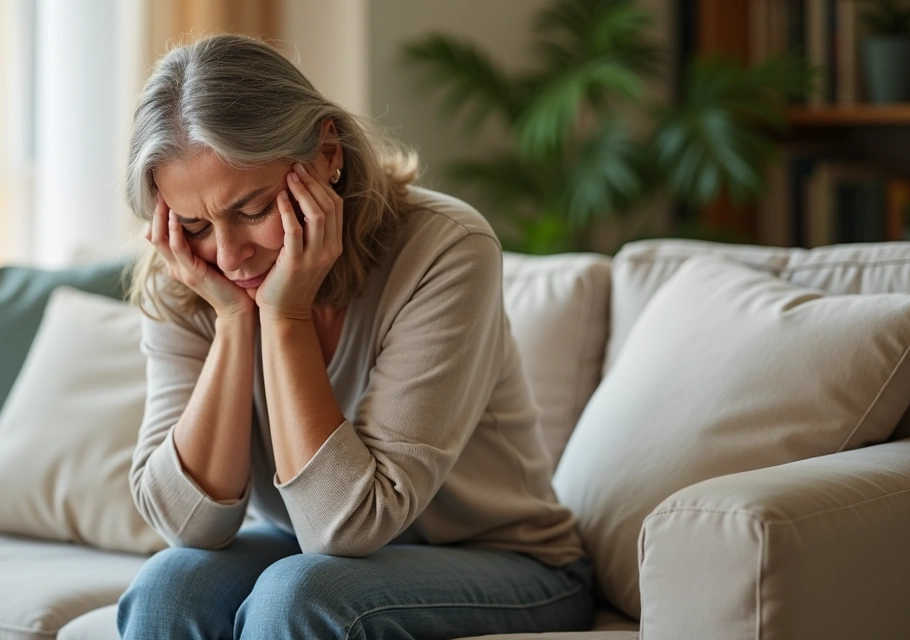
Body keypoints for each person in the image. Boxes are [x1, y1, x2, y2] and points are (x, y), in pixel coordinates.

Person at [117, 34, 593, 640]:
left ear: (325, 152)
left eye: (254, 209)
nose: (230, 255)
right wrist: (237, 321)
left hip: (510, 561)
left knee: (303, 595)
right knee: (167, 589)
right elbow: (189, 525)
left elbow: (345, 528)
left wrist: (284, 318)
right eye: (194, 223)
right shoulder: (193, 275)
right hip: (310, 549)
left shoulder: (446, 250)